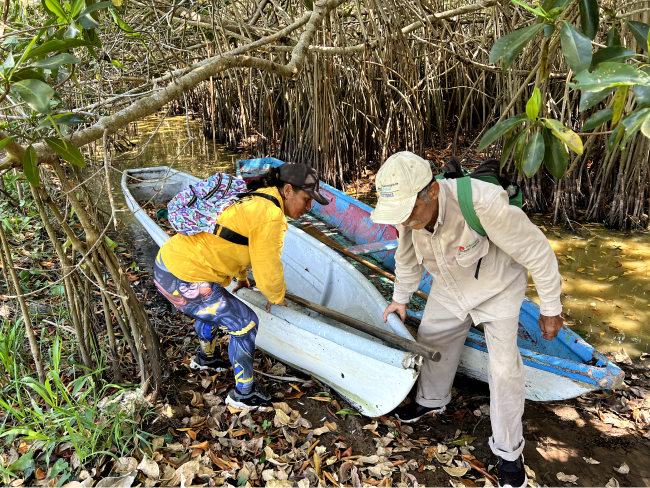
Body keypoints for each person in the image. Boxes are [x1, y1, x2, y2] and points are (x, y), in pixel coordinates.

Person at [371, 152, 563, 488]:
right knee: (432, 337)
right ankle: (431, 402)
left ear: (431, 191)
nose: (404, 221)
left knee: (504, 370)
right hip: (449, 285)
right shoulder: (410, 219)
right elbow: (407, 259)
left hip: (497, 287)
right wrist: (400, 299)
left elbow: (538, 252)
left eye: (408, 210)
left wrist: (550, 307)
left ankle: (508, 451)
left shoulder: (483, 202)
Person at [154, 163, 329, 410]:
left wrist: (242, 279)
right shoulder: (270, 213)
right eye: (307, 199)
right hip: (185, 278)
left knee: (214, 303)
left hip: (167, 266)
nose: (309, 207)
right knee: (245, 324)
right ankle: (244, 394)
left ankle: (207, 359)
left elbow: (235, 242)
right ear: (288, 190)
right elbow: (267, 266)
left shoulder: (253, 197)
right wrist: (276, 297)